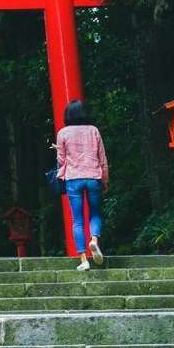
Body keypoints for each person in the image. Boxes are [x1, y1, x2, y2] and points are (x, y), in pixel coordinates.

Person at [56, 100, 107, 271]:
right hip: (93, 176)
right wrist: (105, 180)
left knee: (77, 220)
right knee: (95, 214)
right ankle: (94, 240)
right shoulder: (94, 130)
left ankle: (84, 259)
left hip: (73, 178)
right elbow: (102, 158)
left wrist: (60, 173)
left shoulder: (63, 133)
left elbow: (61, 160)